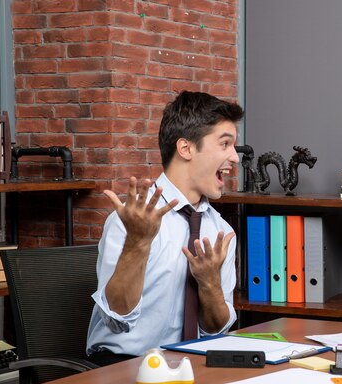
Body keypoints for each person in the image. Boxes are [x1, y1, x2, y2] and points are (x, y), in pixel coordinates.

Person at [86, 91, 244, 365]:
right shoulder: (133, 218)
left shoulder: (220, 230)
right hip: (122, 365)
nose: (235, 158)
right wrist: (138, 242)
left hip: (190, 366)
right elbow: (115, 319)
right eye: (225, 144)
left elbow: (217, 329)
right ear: (186, 149)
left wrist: (210, 284)